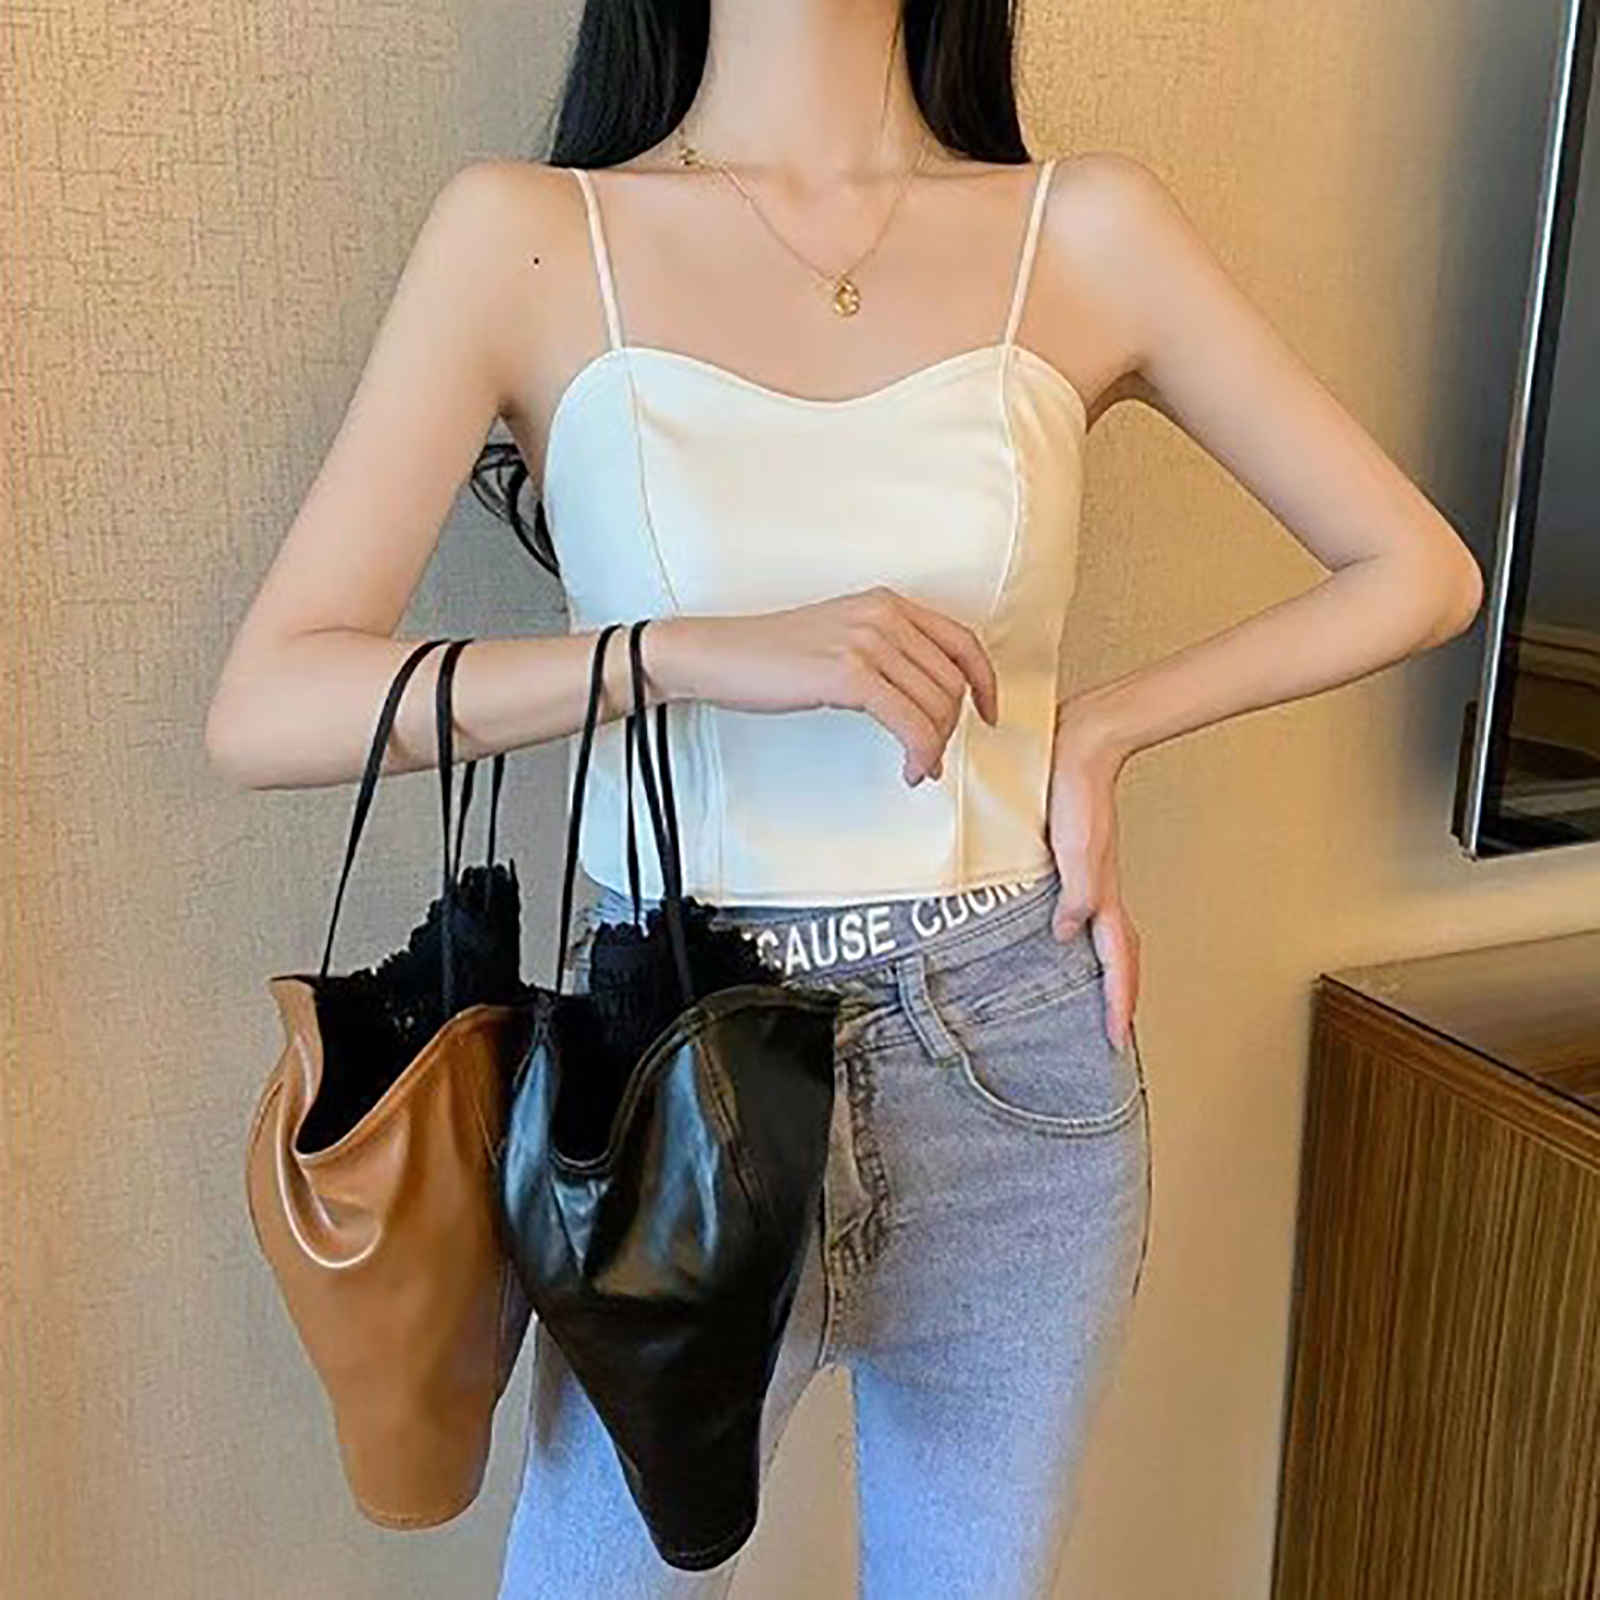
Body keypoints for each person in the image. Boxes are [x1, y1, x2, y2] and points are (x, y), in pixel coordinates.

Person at [205, 2, 1484, 1594]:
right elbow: (271, 703)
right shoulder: (527, 237)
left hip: (1011, 1051)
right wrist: (683, 655)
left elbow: (1419, 570)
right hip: (660, 1067)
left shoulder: (1084, 229)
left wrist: (1100, 732)